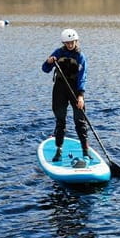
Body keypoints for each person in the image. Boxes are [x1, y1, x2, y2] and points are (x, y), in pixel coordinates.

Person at [41, 28, 89, 162]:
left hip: (75, 89)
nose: (70, 45)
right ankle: (59, 150)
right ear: (64, 43)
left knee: (80, 121)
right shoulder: (58, 53)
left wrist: (80, 96)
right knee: (60, 120)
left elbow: (82, 77)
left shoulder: (80, 56)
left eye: (72, 42)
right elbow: (45, 69)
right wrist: (48, 62)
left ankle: (85, 151)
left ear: (76, 41)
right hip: (60, 89)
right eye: (67, 43)